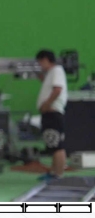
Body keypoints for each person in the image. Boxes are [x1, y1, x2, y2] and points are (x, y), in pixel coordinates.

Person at [36, 49, 68, 180]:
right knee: (52, 144)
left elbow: (57, 90)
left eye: (40, 62)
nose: (40, 65)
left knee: (57, 146)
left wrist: (47, 104)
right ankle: (53, 172)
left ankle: (58, 175)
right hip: (49, 114)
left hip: (53, 113)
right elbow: (51, 87)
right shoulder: (51, 73)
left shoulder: (56, 70)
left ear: (45, 60)